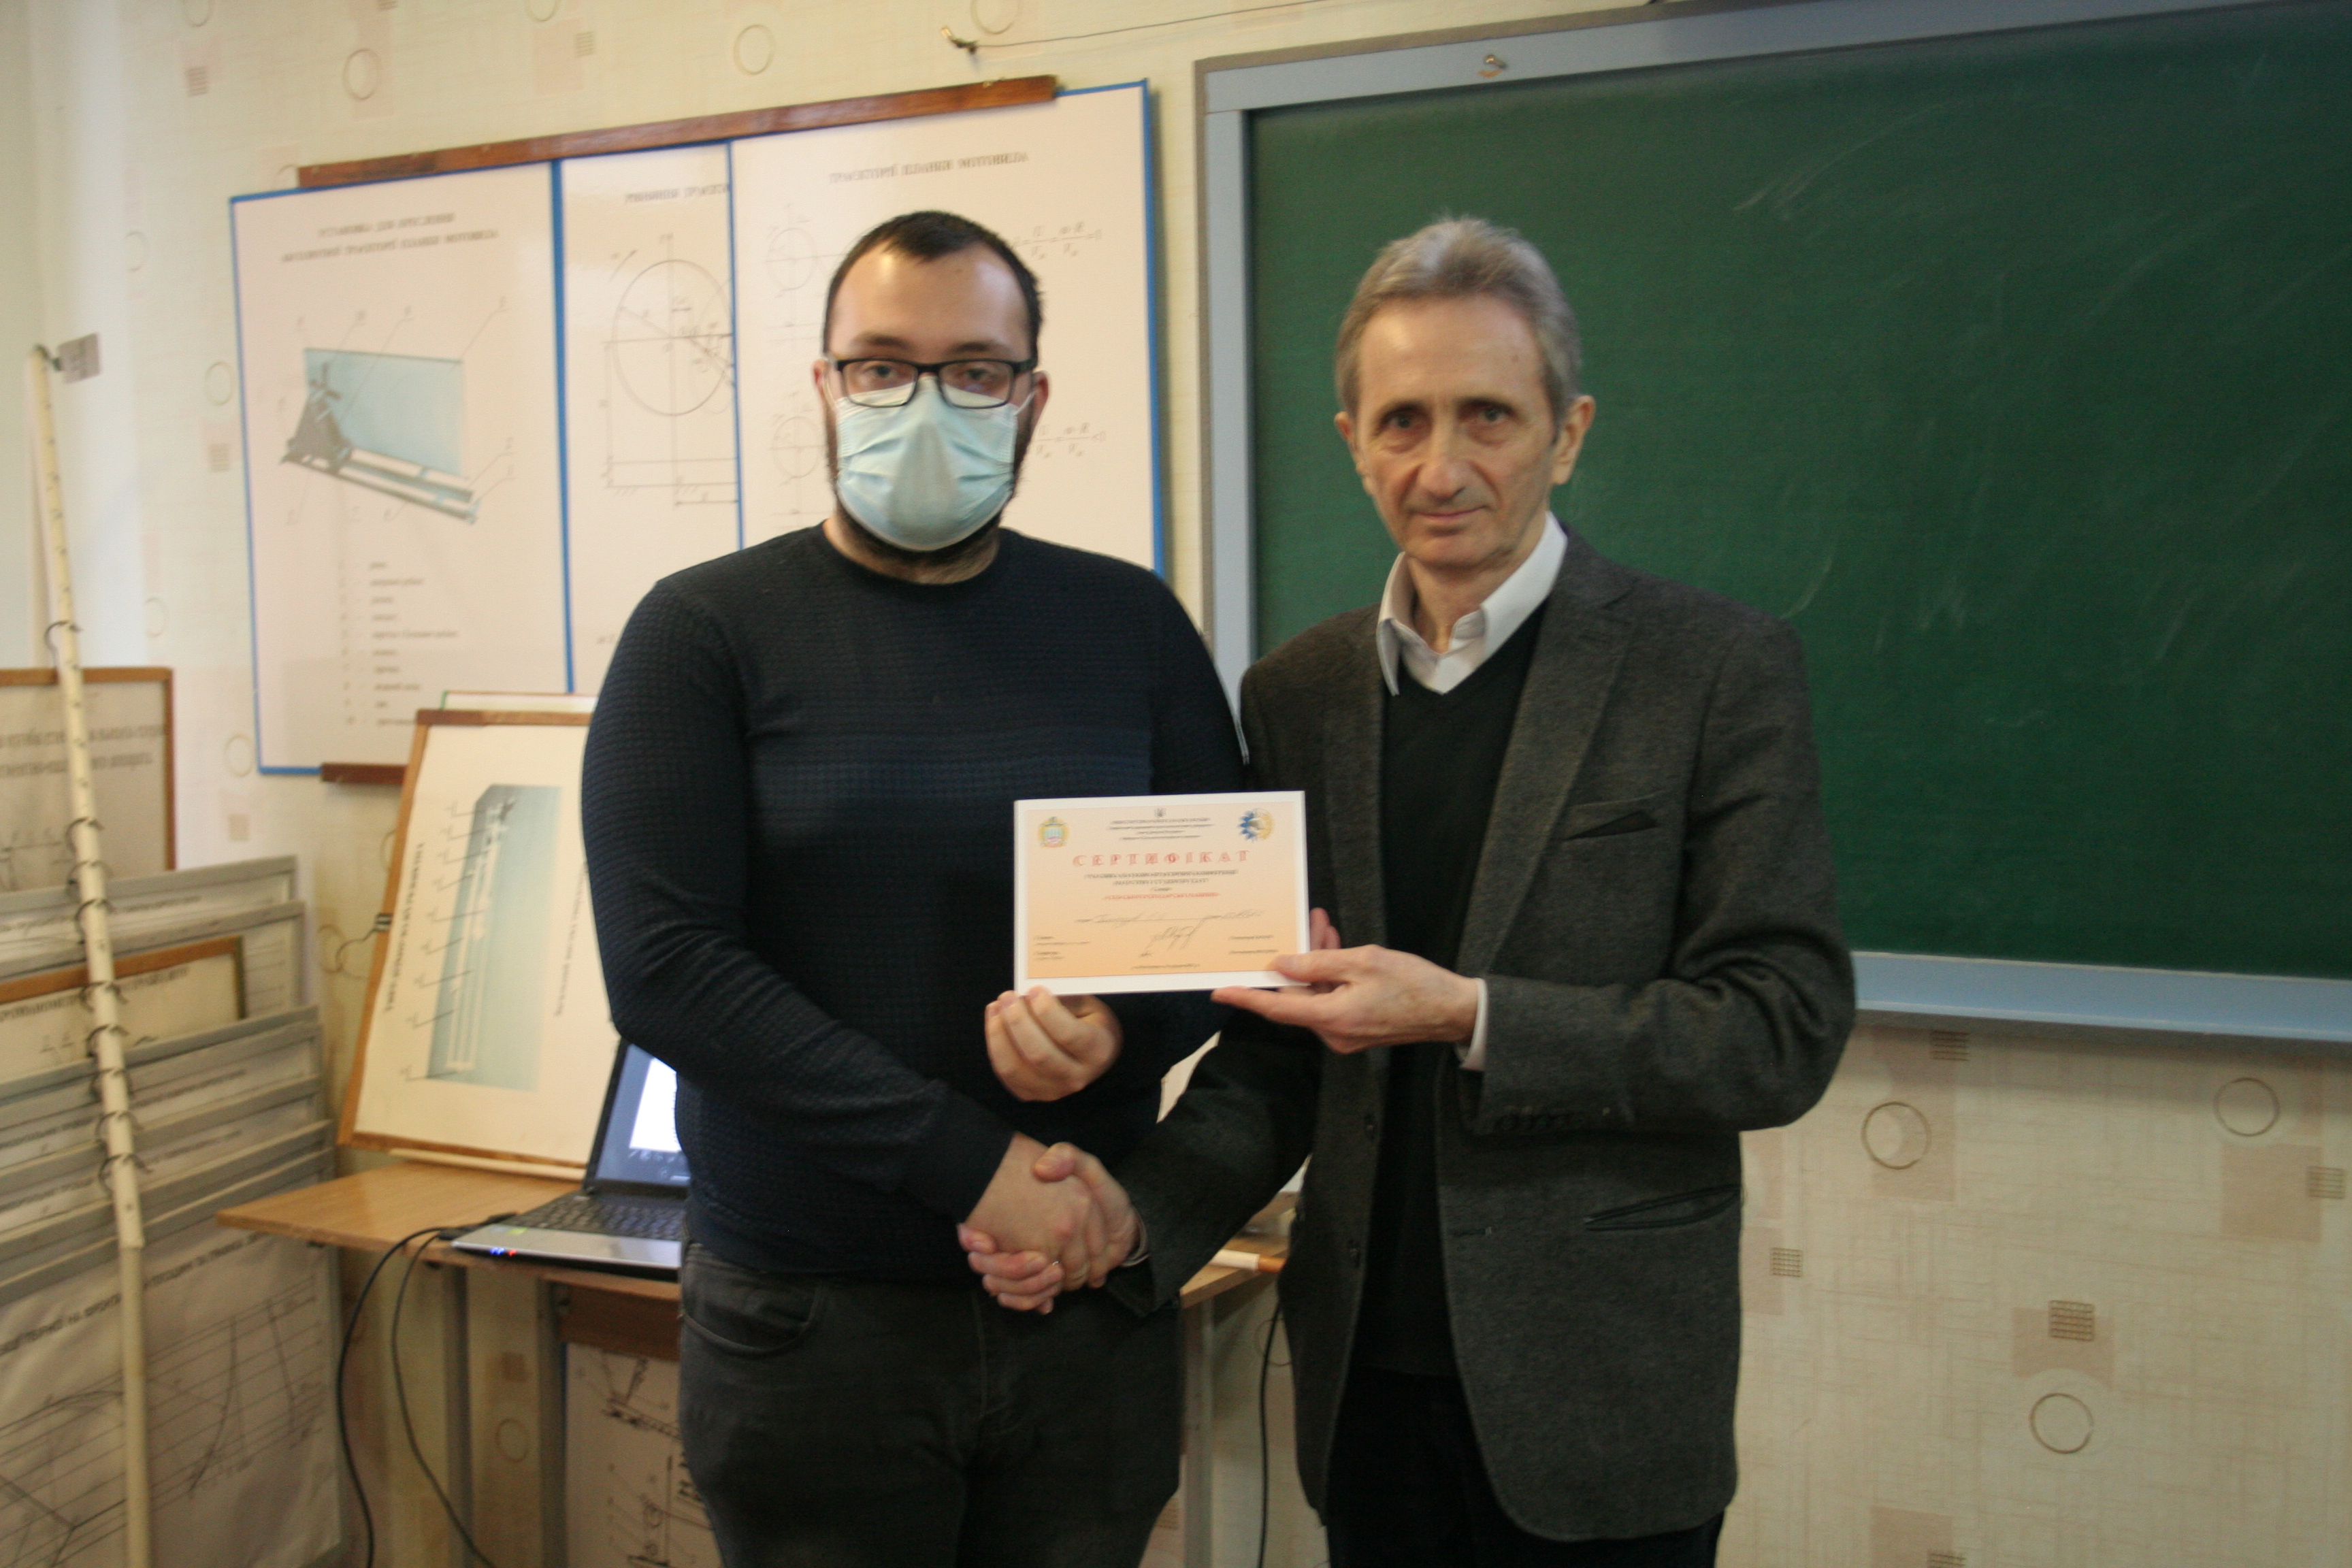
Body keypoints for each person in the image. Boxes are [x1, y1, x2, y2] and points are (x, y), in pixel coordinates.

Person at [968, 218, 1854, 1566]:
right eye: (1402, 422)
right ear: (1353, 442)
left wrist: (1468, 1015)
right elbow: (1276, 1054)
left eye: (1489, 415)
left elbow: (1777, 1030)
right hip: (1365, 1396)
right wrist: (1127, 1218)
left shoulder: (1713, 671)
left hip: (1603, 1394)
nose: (1442, 467)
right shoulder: (1298, 693)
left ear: (1568, 432)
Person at [582, 209, 1241, 1568]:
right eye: (883, 365)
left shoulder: (1131, 625)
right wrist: (976, 1171)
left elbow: (1218, 930)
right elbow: (667, 970)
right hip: (809, 1324)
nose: (926, 403)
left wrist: (1122, 1030)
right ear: (826, 384)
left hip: (1084, 1302)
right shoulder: (702, 633)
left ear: (1032, 399)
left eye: (975, 370)